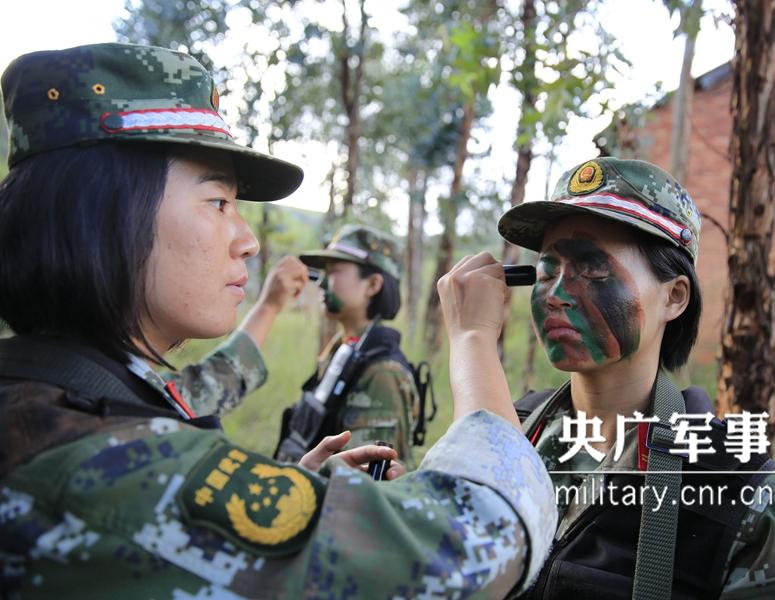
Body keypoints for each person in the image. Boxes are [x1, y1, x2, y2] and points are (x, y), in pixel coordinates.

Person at [0, 42, 556, 598]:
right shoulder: (106, 463)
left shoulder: (53, 393)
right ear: (103, 216)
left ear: (374, 285)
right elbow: (474, 542)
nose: (246, 241)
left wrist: (295, 504)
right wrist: (476, 338)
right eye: (218, 202)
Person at [489, 156, 775, 598]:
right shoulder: (514, 432)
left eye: (593, 268)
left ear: (674, 296)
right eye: (547, 270)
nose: (556, 294)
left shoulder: (749, 499)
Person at [278, 225, 419, 464]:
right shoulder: (344, 351)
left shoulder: (381, 372)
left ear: (373, 285)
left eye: (335, 271)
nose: (322, 283)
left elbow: (367, 483)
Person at [170, 254, 309, 417]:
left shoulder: (145, 392)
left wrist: (268, 307)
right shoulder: (139, 409)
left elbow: (204, 390)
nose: (252, 246)